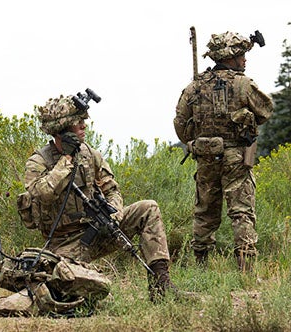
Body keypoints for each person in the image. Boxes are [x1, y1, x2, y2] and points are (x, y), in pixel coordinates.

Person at [23, 93, 181, 302]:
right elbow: (43, 194)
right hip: (64, 244)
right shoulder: (39, 161)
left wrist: (114, 213)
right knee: (74, 286)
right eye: (78, 122)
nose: (84, 126)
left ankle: (162, 286)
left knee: (148, 208)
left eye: (83, 121)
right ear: (62, 130)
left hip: (99, 231)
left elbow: (112, 189)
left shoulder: (90, 155)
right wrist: (66, 159)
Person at [173, 31, 274, 272]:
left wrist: (197, 140)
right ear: (231, 58)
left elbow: (180, 123)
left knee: (205, 211)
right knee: (241, 212)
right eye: (241, 55)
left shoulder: (194, 86)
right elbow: (266, 111)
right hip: (236, 158)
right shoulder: (243, 84)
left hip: (206, 157)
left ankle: (201, 267)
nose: (245, 60)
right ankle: (246, 270)